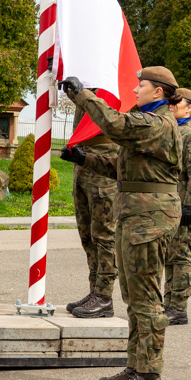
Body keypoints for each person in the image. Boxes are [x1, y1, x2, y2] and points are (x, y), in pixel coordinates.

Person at [59, 66, 183, 380]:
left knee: (145, 299)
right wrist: (84, 158)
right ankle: (135, 367)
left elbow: (114, 123)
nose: (134, 90)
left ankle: (150, 376)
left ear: (158, 91)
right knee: (133, 298)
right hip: (138, 215)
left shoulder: (156, 124)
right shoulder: (149, 126)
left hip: (149, 218)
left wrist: (82, 95)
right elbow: (122, 168)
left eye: (140, 85)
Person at [59, 91, 120, 319]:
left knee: (104, 235)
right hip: (82, 160)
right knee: (87, 235)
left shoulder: (109, 79)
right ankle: (94, 290)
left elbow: (108, 116)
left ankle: (104, 297)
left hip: (103, 162)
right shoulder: (87, 80)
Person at [162, 88, 191, 326]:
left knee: (180, 257)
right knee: (169, 256)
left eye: (178, 102)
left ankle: (178, 307)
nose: (172, 105)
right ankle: (169, 304)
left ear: (190, 108)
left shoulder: (190, 134)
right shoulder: (172, 130)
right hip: (170, 203)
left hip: (182, 205)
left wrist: (189, 206)